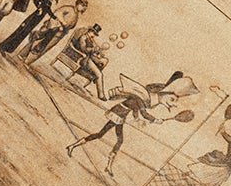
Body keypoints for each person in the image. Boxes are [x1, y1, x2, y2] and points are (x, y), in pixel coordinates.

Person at [66, 71, 197, 177]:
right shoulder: (143, 97)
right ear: (162, 94)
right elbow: (143, 112)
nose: (173, 103)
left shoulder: (147, 101)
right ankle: (75, 146)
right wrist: (154, 120)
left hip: (121, 115)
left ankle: (107, 165)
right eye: (172, 99)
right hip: (117, 114)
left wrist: (138, 119)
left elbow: (136, 110)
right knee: (105, 136)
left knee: (117, 139)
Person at [0, 0, 72, 55]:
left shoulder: (49, 1)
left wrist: (52, 16)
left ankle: (8, 49)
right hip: (32, 19)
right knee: (20, 32)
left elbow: (47, 10)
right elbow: (36, 1)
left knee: (23, 34)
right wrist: (40, 9)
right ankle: (2, 46)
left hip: (35, 21)